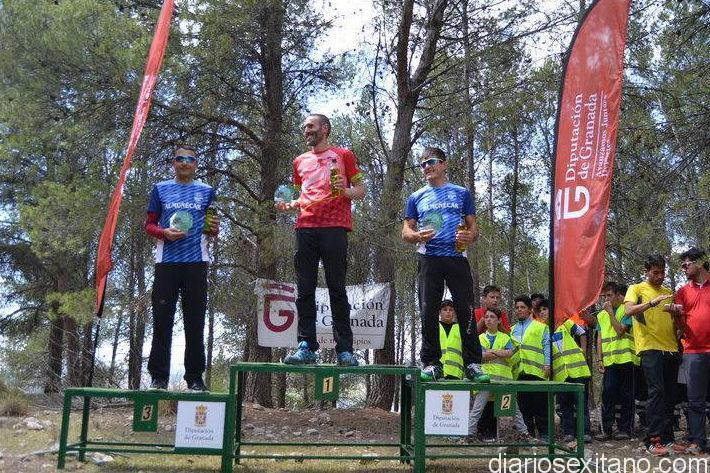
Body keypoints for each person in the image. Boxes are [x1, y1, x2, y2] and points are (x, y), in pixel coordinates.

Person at [277, 114, 366, 366]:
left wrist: (345, 191)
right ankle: (306, 346)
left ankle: (345, 350)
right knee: (304, 289)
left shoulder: (344, 155)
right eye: (304, 127)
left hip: (335, 227)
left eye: (310, 126)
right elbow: (302, 195)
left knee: (337, 289)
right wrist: (289, 204)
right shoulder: (299, 161)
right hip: (305, 227)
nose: (306, 130)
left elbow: (361, 190)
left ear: (324, 129)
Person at [401, 147, 487, 382]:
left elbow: (474, 228)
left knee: (465, 308)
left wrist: (470, 235)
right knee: (428, 309)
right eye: (423, 164)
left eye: (431, 162)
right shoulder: (416, 197)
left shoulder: (461, 193)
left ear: (444, 164)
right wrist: (416, 236)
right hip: (429, 258)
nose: (427, 167)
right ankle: (431, 363)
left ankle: (472, 364)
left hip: (457, 257)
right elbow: (405, 231)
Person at [145, 145, 219, 392]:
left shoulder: (206, 191)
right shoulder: (160, 189)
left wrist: (214, 229)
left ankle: (195, 378)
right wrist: (163, 232)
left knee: (195, 322)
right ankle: (158, 378)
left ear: (196, 164)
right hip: (166, 262)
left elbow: (211, 227)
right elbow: (149, 225)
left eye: (190, 159)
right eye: (180, 159)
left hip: (196, 263)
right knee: (162, 320)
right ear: (173, 163)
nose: (185, 162)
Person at [624, 254, 685, 456]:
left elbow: (678, 325)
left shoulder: (668, 292)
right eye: (655, 272)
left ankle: (668, 439)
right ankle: (652, 440)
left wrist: (677, 315)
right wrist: (651, 303)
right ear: (647, 271)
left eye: (662, 272)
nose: (660, 276)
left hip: (671, 347)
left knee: (670, 394)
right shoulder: (636, 288)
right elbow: (628, 311)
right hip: (650, 347)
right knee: (656, 391)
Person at [667, 248, 710, 454]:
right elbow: (681, 327)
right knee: (695, 400)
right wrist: (676, 316)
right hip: (693, 351)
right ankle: (698, 441)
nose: (683, 268)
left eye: (687, 265)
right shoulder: (682, 292)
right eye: (682, 265)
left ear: (699, 263)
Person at [468, 307, 529, 440]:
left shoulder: (505, 337)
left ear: (499, 320)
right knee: (477, 409)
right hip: (484, 380)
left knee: (514, 409)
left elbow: (510, 353)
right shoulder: (480, 338)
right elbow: (481, 356)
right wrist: (500, 352)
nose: (488, 320)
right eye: (486, 317)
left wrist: (490, 351)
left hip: (503, 381)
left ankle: (524, 433)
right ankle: (469, 434)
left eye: (492, 317)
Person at [595, 282, 637, 441]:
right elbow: (599, 338)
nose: (606, 299)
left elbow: (620, 331)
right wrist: (599, 359)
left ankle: (625, 429)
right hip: (610, 361)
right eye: (604, 296)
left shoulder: (627, 310)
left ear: (619, 295)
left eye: (609, 295)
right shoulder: (601, 315)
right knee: (608, 393)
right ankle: (606, 429)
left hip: (627, 359)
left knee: (626, 395)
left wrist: (611, 313)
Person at [510, 295, 550, 440]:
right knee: (523, 406)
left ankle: (545, 434)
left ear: (529, 309)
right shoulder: (511, 330)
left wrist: (547, 364)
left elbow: (546, 346)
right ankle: (529, 435)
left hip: (537, 372)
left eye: (522, 307)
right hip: (519, 373)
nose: (519, 310)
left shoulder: (541, 327)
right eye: (517, 308)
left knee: (540, 405)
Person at [553, 317, 593, 443]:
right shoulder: (543, 330)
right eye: (541, 310)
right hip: (561, 375)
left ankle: (585, 432)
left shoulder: (565, 323)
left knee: (581, 403)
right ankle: (569, 432)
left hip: (578, 370)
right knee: (565, 404)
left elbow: (582, 332)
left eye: (545, 309)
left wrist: (583, 350)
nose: (543, 312)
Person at [438, 300, 464, 379]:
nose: (448, 312)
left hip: (456, 373)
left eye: (451, 310)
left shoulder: (460, 328)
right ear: (440, 312)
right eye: (445, 310)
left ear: (454, 312)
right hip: (438, 372)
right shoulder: (435, 327)